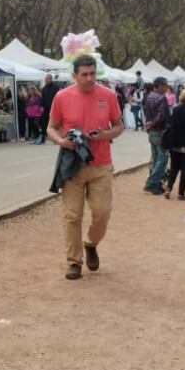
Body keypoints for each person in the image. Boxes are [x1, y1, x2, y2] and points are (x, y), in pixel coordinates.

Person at [46, 54, 125, 281]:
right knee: (72, 215)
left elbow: (119, 126)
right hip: (72, 165)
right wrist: (61, 141)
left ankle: (90, 243)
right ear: (75, 75)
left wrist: (105, 134)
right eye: (85, 74)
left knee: (102, 212)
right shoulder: (62, 97)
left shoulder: (108, 95)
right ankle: (74, 262)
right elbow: (51, 127)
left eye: (93, 73)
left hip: (101, 164)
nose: (90, 78)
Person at [141, 77, 170, 195]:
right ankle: (152, 182)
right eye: (165, 85)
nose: (167, 87)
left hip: (152, 131)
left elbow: (147, 113)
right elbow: (162, 116)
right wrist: (153, 123)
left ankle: (156, 183)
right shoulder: (162, 98)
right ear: (161, 85)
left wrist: (149, 124)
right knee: (163, 157)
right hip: (159, 131)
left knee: (156, 157)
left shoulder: (149, 97)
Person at [39, 73, 58, 145]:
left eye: (47, 79)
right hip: (46, 109)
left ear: (50, 79)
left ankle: (55, 138)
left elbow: (58, 98)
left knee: (54, 124)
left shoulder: (56, 87)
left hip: (54, 108)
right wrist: (41, 106)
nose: (46, 80)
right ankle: (43, 138)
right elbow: (42, 99)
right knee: (44, 123)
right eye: (45, 79)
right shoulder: (44, 88)